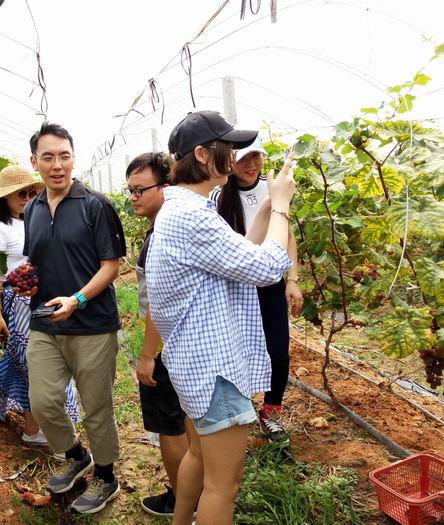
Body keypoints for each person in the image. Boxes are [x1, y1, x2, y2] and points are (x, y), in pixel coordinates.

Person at [146, 110, 296, 525]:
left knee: (198, 455)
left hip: (194, 364)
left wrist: (267, 206)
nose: (234, 155)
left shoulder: (183, 209)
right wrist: (283, 208)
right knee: (222, 486)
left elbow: (239, 254)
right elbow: (267, 267)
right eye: (227, 147)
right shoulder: (192, 216)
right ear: (202, 154)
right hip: (216, 372)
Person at [21, 122, 126, 514]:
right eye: (48, 157)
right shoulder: (31, 209)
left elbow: (111, 265)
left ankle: (106, 476)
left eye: (64, 156)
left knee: (96, 406)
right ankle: (76, 454)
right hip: (45, 321)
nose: (57, 165)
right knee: (43, 401)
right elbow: (38, 261)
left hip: (92, 324)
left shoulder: (94, 205)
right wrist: (28, 284)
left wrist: (78, 299)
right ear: (34, 161)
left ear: (73, 158)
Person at [211, 136, 303, 443]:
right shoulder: (219, 197)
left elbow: (288, 236)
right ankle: (240, 407)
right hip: (238, 287)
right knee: (239, 348)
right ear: (230, 163)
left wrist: (292, 280)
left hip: (270, 282)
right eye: (243, 159)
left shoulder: (272, 188)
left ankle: (270, 412)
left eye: (256, 157)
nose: (251, 164)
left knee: (278, 351)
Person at [0, 165, 78, 446]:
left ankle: (40, 428)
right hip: (17, 305)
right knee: (30, 364)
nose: (26, 198)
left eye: (30, 192)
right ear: (6, 197)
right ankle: (36, 430)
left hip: (42, 298)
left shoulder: (36, 218)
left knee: (45, 359)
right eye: (20, 194)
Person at [125, 152, 188, 517]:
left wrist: (148, 355)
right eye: (130, 190)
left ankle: (182, 500)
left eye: (140, 190)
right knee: (184, 420)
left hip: (164, 345)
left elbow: (157, 304)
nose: (133, 197)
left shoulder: (160, 237)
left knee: (170, 426)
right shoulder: (166, 229)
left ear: (166, 187)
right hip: (179, 342)